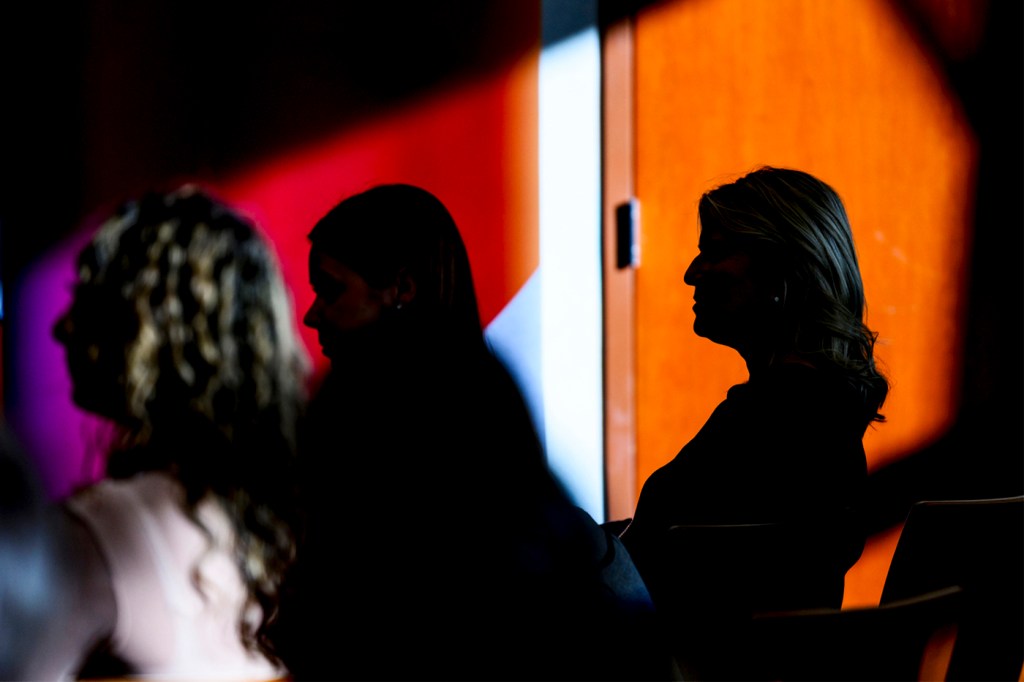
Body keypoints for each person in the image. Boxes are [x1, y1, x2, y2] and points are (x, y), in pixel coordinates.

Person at [274, 183, 672, 681]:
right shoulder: (500, 416)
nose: (312, 315)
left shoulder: (377, 463)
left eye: (330, 290)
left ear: (402, 288)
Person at [23, 185, 310, 680]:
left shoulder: (101, 538)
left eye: (88, 299)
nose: (61, 328)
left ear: (145, 326)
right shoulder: (298, 521)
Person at [616, 166, 890, 679]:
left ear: (784, 277)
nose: (691, 273)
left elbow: (639, 576)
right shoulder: (827, 419)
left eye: (715, 251)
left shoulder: (761, 427)